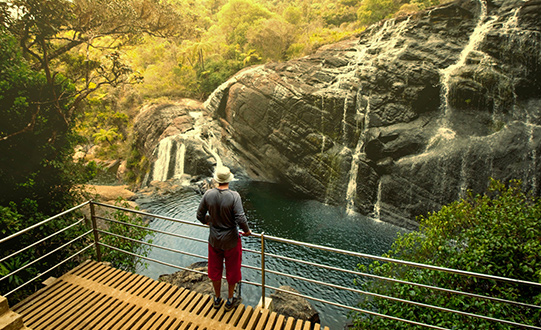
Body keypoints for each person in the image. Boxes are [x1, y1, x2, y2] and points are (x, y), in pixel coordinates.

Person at [196, 166, 252, 311]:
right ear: (229, 180)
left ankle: (216, 298)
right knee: (232, 270)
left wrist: (210, 221)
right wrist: (246, 231)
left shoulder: (208, 194)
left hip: (214, 239)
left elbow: (199, 216)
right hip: (231, 240)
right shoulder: (234, 196)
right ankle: (230, 300)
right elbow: (241, 218)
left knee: (215, 268)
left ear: (216, 179)